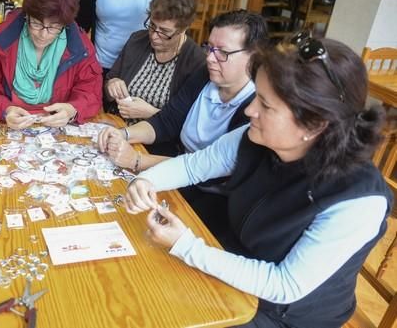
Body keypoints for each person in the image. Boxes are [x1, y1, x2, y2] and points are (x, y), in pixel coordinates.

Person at [126, 35, 393, 328]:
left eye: (265, 105)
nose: (250, 110)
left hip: (283, 314)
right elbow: (194, 166)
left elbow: (284, 285)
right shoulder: (254, 138)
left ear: (314, 124)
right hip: (231, 265)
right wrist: (146, 180)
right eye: (256, 97)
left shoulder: (357, 199)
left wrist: (186, 246)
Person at [99, 10, 269, 163]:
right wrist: (123, 134)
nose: (210, 58)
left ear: (253, 57)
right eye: (209, 48)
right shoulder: (204, 76)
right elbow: (165, 122)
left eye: (222, 52)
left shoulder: (255, 107)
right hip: (178, 166)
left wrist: (138, 160)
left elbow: (206, 169)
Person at [0, 0, 102, 129]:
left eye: (53, 27)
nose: (43, 35)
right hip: (8, 125)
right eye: (36, 24)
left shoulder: (80, 47)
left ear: (66, 24)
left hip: (57, 128)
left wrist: (72, 109)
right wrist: (5, 110)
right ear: (27, 16)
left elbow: (91, 91)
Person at [104, 0, 204, 126]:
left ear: (183, 29)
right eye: (152, 25)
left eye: (164, 31)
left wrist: (152, 113)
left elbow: (190, 124)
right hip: (117, 125)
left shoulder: (196, 62)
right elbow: (109, 82)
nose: (154, 36)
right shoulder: (137, 40)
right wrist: (112, 84)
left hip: (155, 143)